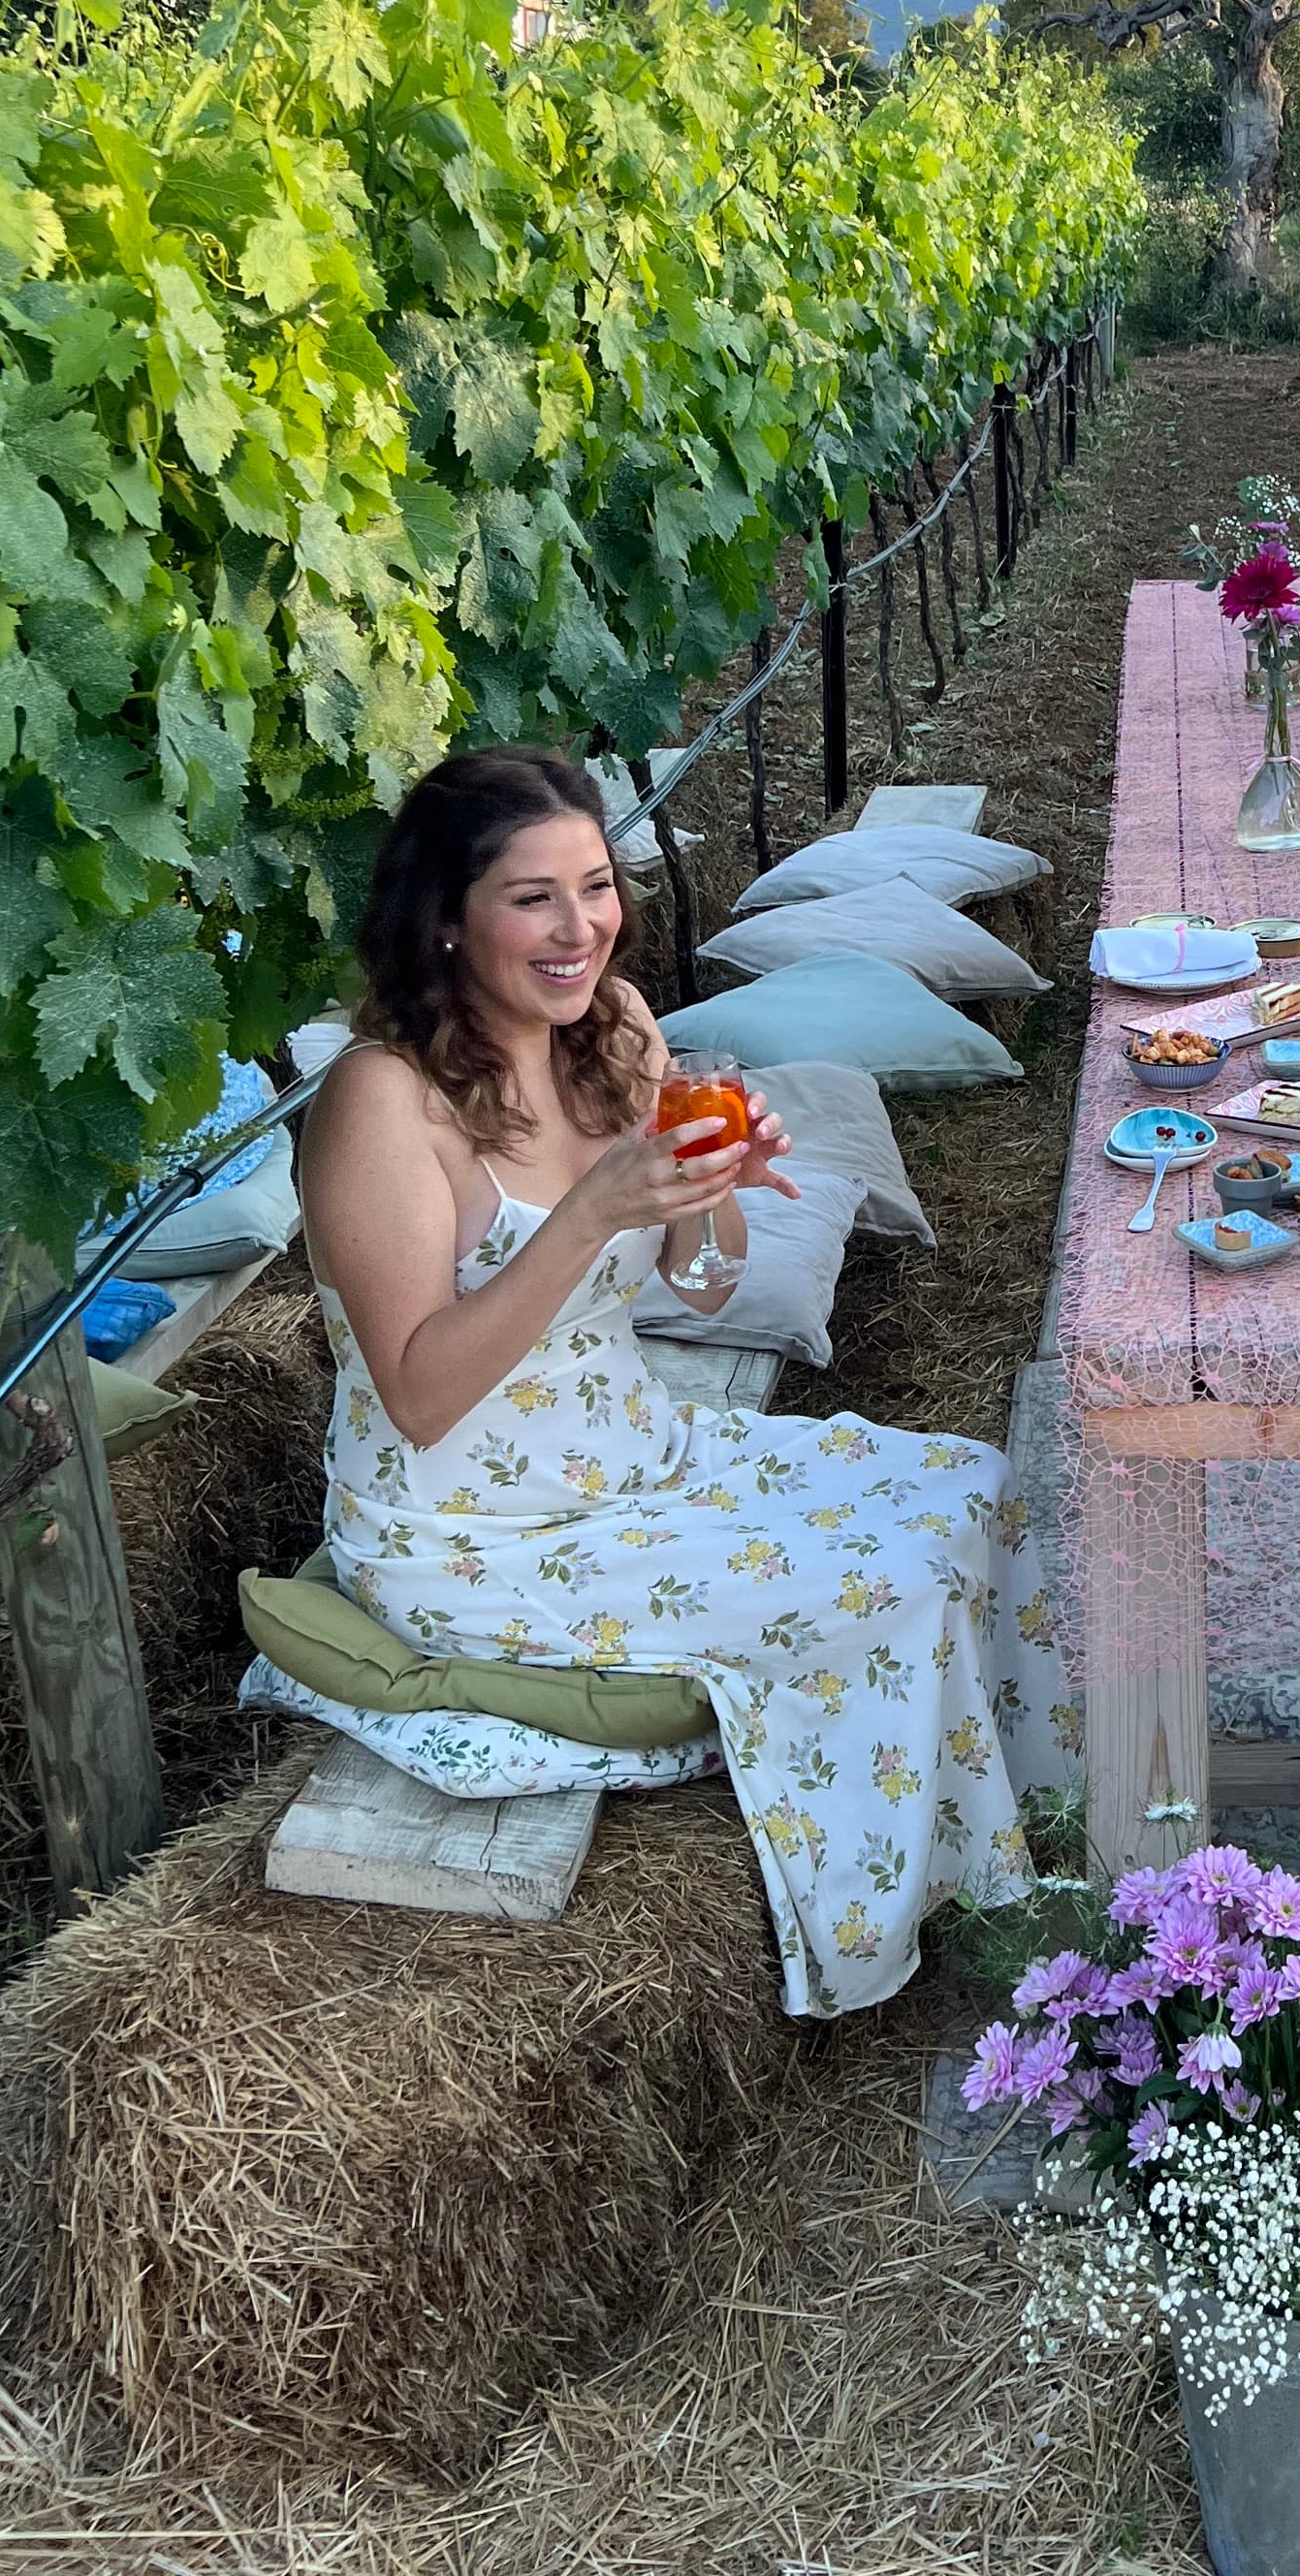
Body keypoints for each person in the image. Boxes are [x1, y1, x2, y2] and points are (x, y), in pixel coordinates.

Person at [298, 745, 1061, 2017]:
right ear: (444, 918)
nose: (578, 925)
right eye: (531, 896)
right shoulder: (383, 1103)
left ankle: (1025, 1834)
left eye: (594, 886)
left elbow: (699, 1290)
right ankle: (917, 1941)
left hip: (634, 1452)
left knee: (970, 1481)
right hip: (470, 1527)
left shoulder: (618, 1036)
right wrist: (593, 1210)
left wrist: (718, 1191)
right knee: (878, 1594)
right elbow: (422, 1393)